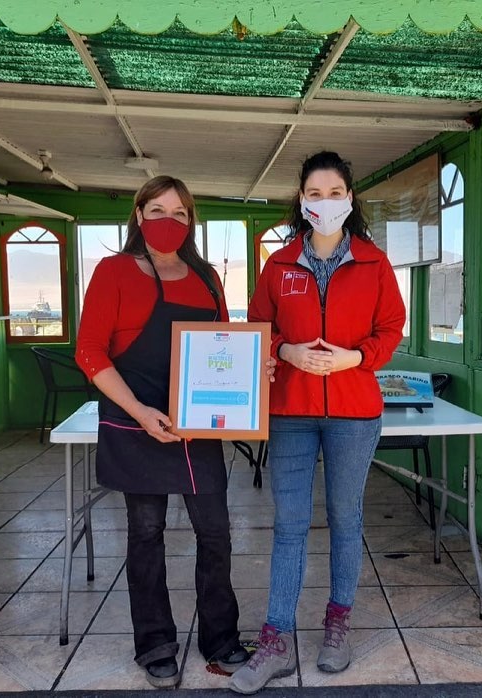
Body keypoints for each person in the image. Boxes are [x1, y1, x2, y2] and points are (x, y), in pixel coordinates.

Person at [76, 176, 267, 688]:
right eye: (158, 210)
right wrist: (140, 411)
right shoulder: (115, 271)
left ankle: (221, 639)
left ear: (190, 221)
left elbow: (225, 343)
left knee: (216, 533)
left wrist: (253, 370)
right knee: (146, 535)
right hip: (136, 422)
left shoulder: (206, 276)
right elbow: (89, 352)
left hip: (198, 428)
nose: (169, 220)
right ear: (138, 215)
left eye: (180, 212)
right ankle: (155, 643)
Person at [231, 152, 406, 694]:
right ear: (301, 200)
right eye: (315, 193)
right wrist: (285, 351)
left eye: (335, 193)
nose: (325, 202)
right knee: (289, 523)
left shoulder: (374, 263)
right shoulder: (279, 265)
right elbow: (259, 326)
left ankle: (337, 623)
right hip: (291, 411)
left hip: (354, 413)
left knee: (345, 518)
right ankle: (276, 639)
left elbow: (391, 327)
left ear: (349, 199)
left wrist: (356, 358)